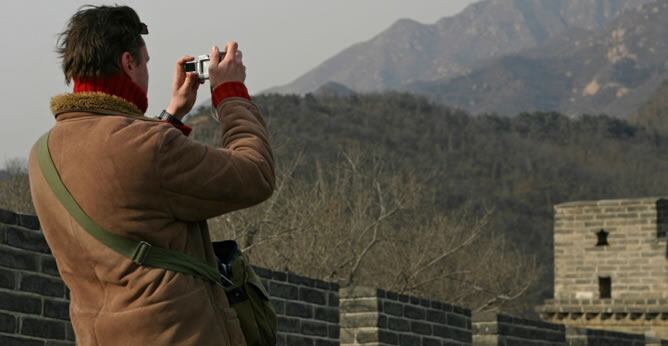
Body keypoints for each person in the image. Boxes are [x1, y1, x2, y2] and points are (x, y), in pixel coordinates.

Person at [28, 5, 275, 345]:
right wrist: (230, 93)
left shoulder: (42, 154)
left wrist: (173, 114)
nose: (146, 73)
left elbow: (128, 188)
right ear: (129, 63)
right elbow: (256, 173)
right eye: (145, 63)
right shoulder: (147, 146)